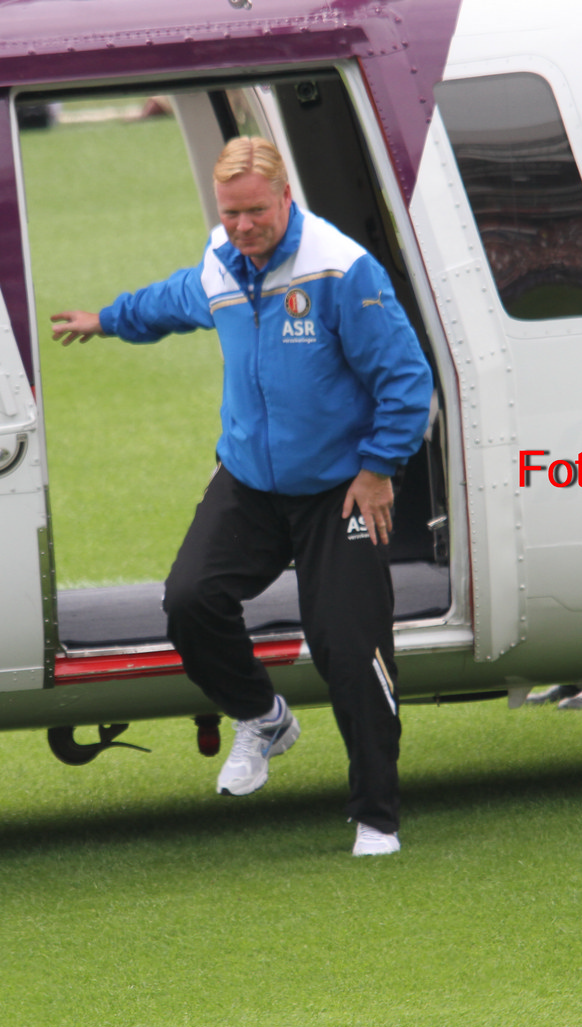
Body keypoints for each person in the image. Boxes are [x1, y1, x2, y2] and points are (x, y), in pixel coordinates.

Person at [51, 137, 433, 856]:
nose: (243, 226)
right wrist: (107, 318)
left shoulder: (340, 268)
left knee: (349, 647)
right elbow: (174, 299)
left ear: (285, 197)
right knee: (190, 599)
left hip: (339, 488)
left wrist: (378, 468)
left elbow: (406, 377)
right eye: (230, 213)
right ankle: (262, 716)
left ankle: (376, 816)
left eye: (256, 211)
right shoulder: (221, 260)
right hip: (251, 480)